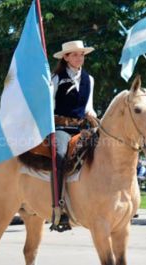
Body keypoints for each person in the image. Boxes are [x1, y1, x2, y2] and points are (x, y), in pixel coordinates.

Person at [50, 40, 97, 231]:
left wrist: (94, 117)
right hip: (61, 128)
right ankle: (58, 208)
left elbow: (89, 108)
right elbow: (49, 106)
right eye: (75, 54)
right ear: (66, 57)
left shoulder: (89, 79)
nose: (80, 57)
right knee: (60, 156)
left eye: (82, 54)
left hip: (81, 128)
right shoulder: (55, 78)